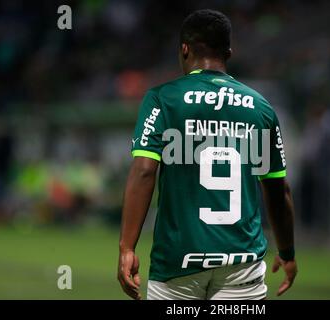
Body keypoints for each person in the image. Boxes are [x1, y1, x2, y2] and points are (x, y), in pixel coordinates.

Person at [118, 9, 297, 300]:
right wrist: (287, 252)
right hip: (242, 263)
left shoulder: (163, 98)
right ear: (228, 51)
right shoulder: (260, 107)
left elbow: (144, 170)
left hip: (178, 261)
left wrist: (127, 248)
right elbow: (278, 188)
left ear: (184, 49)